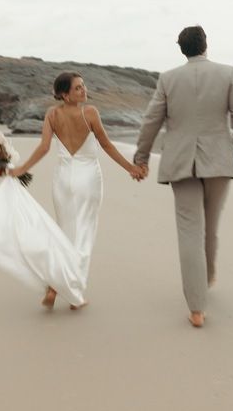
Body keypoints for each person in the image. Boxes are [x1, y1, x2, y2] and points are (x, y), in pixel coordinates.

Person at [134, 25, 233, 328]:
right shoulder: (227, 73)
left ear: (181, 49)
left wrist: (141, 156)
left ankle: (196, 308)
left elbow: (152, 120)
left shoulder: (168, 78)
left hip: (180, 162)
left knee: (190, 231)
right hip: (217, 160)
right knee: (210, 226)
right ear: (206, 44)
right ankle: (208, 276)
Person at [8, 71, 144, 309]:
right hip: (88, 179)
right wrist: (130, 168)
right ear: (64, 94)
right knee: (83, 234)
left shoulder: (52, 114)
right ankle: (74, 293)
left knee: (65, 232)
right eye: (78, 88)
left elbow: (44, 148)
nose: (84, 90)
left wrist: (22, 169)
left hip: (62, 180)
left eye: (83, 86)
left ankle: (53, 286)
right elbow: (106, 145)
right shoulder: (89, 112)